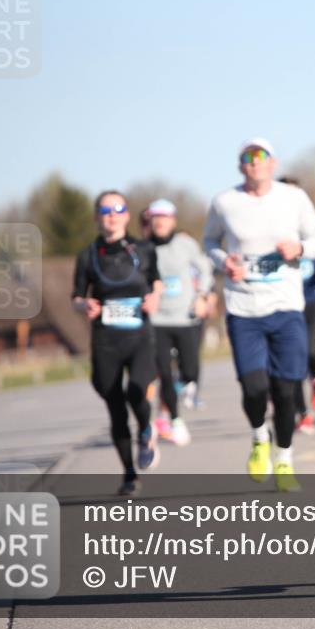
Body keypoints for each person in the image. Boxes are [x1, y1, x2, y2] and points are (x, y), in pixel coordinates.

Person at [203, 138, 315, 492]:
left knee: (287, 390)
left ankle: (284, 459)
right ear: (241, 166)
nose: (254, 162)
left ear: (273, 163)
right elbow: (209, 242)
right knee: (254, 386)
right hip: (243, 307)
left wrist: (301, 248)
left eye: (261, 156)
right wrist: (222, 262)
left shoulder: (293, 198)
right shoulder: (225, 202)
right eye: (247, 157)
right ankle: (260, 437)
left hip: (286, 306)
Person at [72, 190, 162, 496]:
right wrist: (85, 305)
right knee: (115, 406)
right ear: (98, 217)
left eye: (118, 208)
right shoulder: (87, 255)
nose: (112, 214)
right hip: (106, 339)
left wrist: (154, 298)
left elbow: (156, 281)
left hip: (139, 337)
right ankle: (129, 474)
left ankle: (146, 431)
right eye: (105, 209)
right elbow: (76, 296)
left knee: (137, 390)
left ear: (126, 214)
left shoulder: (144, 249)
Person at [143, 198, 214, 446]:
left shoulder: (186, 245)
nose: (160, 222)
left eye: (164, 217)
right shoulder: (142, 248)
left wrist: (203, 296)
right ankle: (174, 419)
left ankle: (182, 386)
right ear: (150, 221)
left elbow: (205, 269)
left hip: (185, 318)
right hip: (157, 321)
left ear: (172, 220)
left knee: (190, 371)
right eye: (155, 217)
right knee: (163, 372)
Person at [277, 177, 315, 435]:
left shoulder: (313, 224)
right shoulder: (273, 226)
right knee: (293, 362)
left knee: (310, 353)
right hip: (285, 302)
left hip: (311, 300)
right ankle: (302, 414)